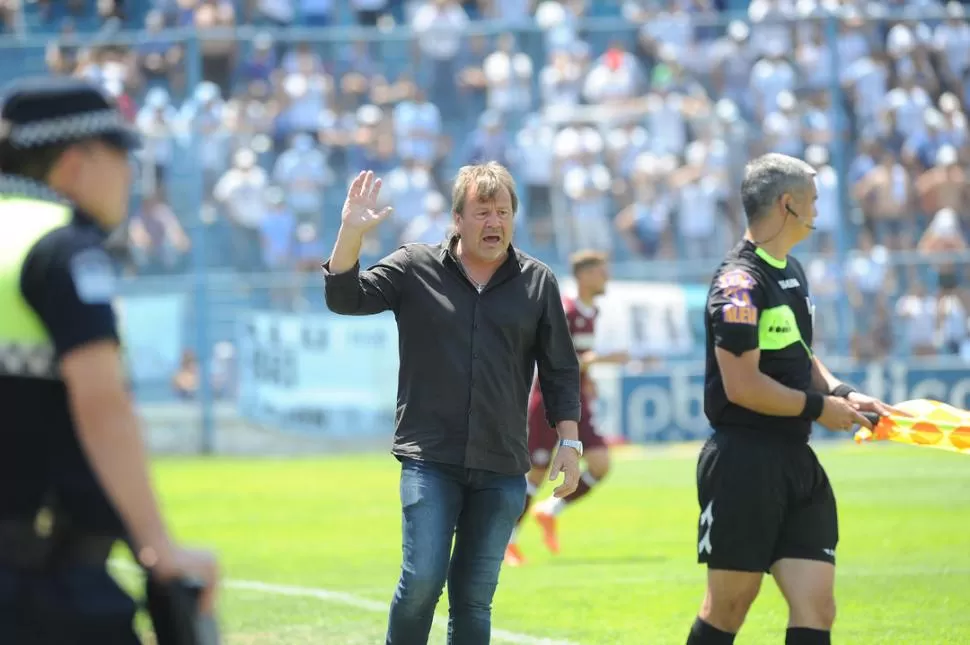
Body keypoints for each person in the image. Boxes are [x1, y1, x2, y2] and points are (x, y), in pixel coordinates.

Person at [322, 163, 582, 645]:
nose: (494, 222)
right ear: (457, 218)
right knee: (421, 582)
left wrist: (569, 439)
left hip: (502, 465)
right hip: (430, 460)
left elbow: (561, 370)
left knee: (473, 602)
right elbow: (345, 298)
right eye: (482, 212)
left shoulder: (538, 281)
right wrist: (350, 233)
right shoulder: (414, 266)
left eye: (503, 212)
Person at [0, 76, 219, 644]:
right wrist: (159, 547)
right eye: (121, 152)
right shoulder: (63, 247)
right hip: (38, 585)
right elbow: (102, 404)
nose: (131, 171)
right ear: (74, 160)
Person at [686, 152, 904, 645]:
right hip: (744, 462)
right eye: (813, 197)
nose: (820, 207)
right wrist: (818, 409)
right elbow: (742, 386)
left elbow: (803, 357)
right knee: (728, 609)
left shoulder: (790, 270)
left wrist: (845, 393)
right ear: (788, 204)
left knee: (817, 607)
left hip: (794, 459)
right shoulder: (738, 284)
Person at [504, 250, 629, 567]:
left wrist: (588, 378)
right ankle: (508, 540)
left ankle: (550, 510)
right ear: (584, 275)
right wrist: (597, 361)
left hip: (577, 400)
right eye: (601, 272)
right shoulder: (567, 310)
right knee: (536, 474)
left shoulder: (592, 312)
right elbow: (553, 357)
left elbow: (577, 361)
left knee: (600, 464)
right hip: (549, 400)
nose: (606, 278)